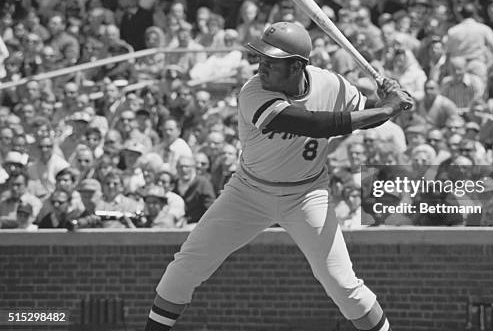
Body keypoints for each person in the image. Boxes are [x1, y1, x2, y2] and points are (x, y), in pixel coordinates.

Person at [143, 22, 413, 331]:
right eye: (261, 59)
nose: (262, 67)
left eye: (272, 62)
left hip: (306, 194)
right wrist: (387, 109)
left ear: (297, 66)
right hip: (248, 192)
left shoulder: (332, 85)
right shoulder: (253, 92)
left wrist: (388, 100)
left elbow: (365, 114)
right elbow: (315, 124)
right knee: (185, 267)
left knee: (341, 284)